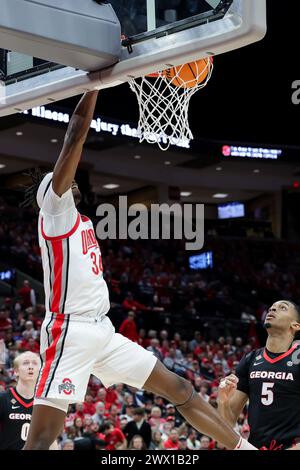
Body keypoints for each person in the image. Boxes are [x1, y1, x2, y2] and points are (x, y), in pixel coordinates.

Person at [22, 91, 255, 451]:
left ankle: (243, 448)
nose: (68, 175)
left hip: (102, 329)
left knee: (178, 388)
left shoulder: (82, 221)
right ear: (52, 194)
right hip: (70, 329)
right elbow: (75, 135)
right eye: (60, 177)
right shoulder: (55, 212)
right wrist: (96, 84)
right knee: (41, 439)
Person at [217, 300, 300, 450]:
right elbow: (226, 427)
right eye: (272, 307)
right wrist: (222, 401)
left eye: (282, 308)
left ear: (295, 325)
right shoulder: (250, 359)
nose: (273, 309)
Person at [0, 351, 56, 450]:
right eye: (26, 363)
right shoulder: (3, 399)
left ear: (40, 371)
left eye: (34, 363)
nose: (30, 367)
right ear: (16, 371)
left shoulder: (46, 404)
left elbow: (51, 441)